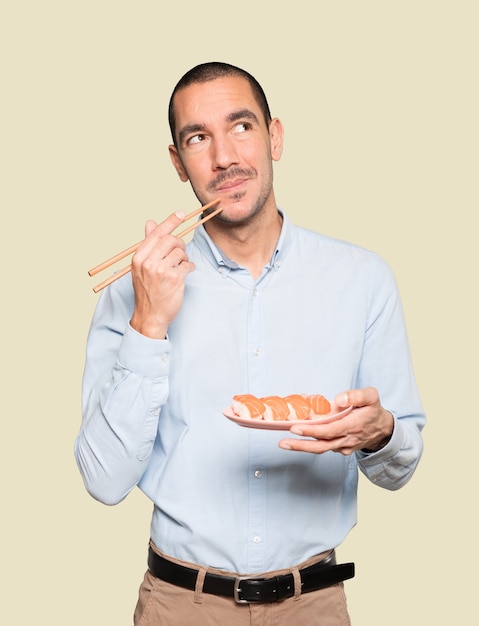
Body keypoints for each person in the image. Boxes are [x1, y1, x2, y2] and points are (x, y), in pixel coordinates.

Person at [75, 61, 426, 625]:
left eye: (241, 127)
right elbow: (103, 481)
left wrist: (380, 432)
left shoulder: (362, 279)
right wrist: (149, 323)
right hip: (179, 604)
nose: (224, 158)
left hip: (313, 604)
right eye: (198, 138)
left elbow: (400, 466)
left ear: (275, 137)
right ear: (177, 162)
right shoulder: (134, 289)